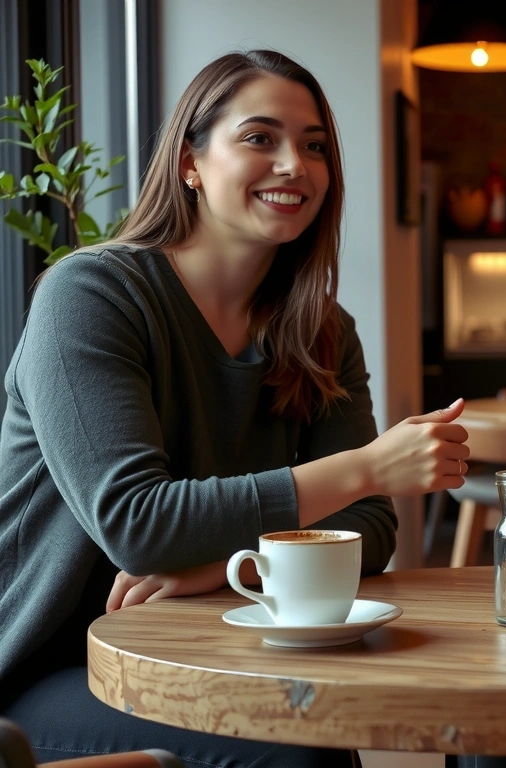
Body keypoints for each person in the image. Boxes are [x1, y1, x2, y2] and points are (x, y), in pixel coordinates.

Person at [0, 49, 470, 767]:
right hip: (49, 670)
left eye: (314, 146)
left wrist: (221, 566)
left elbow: (370, 532)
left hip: (208, 644)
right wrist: (367, 467)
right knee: (295, 750)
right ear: (191, 160)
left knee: (320, 732)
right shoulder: (90, 295)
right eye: (260, 138)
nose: (295, 164)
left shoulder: (320, 328)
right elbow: (138, 524)